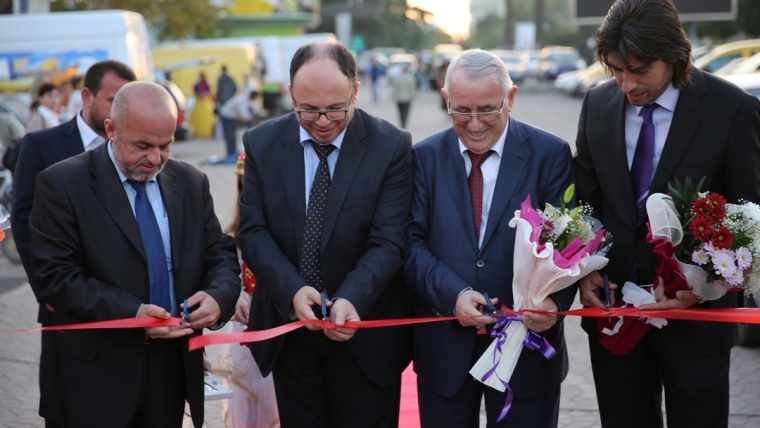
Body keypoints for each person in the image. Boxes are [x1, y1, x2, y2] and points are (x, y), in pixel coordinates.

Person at [573, 1, 760, 427]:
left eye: (639, 70)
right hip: (614, 319)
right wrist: (584, 272)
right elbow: (586, 203)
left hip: (696, 325)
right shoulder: (597, 106)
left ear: (675, 56)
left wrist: (704, 287)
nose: (626, 84)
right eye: (616, 69)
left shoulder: (732, 110)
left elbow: (752, 221)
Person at [29, 81, 241, 428]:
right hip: (94, 377)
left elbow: (219, 254)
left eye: (165, 146)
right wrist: (134, 314)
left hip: (170, 373)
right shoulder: (62, 184)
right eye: (142, 145)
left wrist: (219, 298)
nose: (155, 158)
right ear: (111, 129)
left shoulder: (190, 182)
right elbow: (56, 279)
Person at [237, 41, 414, 428]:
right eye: (308, 109)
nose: (321, 121)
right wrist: (292, 290)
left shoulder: (391, 146)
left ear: (355, 90)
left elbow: (388, 240)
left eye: (336, 108)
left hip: (364, 333)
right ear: (290, 95)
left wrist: (352, 297)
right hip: (291, 333)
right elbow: (252, 230)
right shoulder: (262, 144)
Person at [404, 49, 575, 428]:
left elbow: (571, 245)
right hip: (444, 353)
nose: (475, 124)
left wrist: (553, 302)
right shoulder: (423, 158)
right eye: (461, 110)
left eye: (488, 109)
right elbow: (410, 245)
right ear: (445, 99)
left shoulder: (550, 155)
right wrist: (453, 295)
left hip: (526, 354)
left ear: (511, 98)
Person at [11, 60, 136, 428]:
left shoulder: (135, 145)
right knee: (71, 411)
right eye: (113, 101)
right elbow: (24, 220)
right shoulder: (42, 144)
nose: (120, 113)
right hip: (66, 309)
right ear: (86, 96)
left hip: (127, 306)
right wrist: (47, 289)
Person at [215, 152, 279, 428]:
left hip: (279, 325)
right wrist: (236, 297)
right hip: (246, 327)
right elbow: (230, 278)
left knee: (276, 399)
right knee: (245, 402)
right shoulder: (235, 235)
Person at [216, 90, 258, 162]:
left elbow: (249, 112)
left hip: (232, 119)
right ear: (252, 96)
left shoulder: (248, 101)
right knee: (230, 136)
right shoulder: (242, 101)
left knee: (233, 136)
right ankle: (230, 155)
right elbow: (244, 115)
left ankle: (232, 153)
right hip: (227, 117)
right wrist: (252, 120)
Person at [391, 64, 417, 129]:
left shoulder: (398, 78)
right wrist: (413, 95)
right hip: (407, 98)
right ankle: (404, 124)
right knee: (406, 112)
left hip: (399, 98)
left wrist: (393, 96)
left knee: (400, 112)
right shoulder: (410, 78)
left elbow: (395, 88)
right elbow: (412, 88)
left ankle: (402, 123)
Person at [190, 72, 215, 138]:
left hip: (205, 102)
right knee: (198, 117)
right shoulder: (197, 84)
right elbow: (194, 92)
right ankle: (197, 131)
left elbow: (209, 93)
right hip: (199, 102)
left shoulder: (207, 84)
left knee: (206, 118)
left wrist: (204, 95)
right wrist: (199, 95)